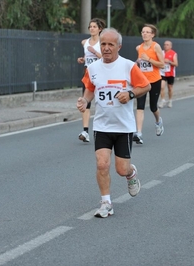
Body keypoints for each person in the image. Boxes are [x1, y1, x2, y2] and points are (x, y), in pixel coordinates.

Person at [76, 27, 151, 218]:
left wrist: (131, 93)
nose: (107, 48)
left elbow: (146, 86)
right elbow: (90, 88)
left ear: (119, 46)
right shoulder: (93, 68)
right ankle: (106, 203)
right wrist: (85, 100)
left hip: (124, 127)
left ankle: (131, 173)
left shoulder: (128, 66)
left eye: (111, 44)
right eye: (103, 44)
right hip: (101, 125)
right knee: (102, 165)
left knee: (121, 169)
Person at [133, 24, 164, 144]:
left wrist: (149, 59)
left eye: (147, 32)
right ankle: (139, 133)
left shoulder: (156, 47)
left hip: (155, 80)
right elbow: (140, 63)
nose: (144, 34)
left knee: (153, 107)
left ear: (152, 34)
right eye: (142, 32)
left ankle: (158, 121)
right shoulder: (138, 48)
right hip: (142, 81)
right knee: (140, 106)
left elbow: (162, 64)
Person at [76, 18, 106, 143]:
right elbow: (87, 56)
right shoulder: (85, 42)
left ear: (100, 29)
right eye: (90, 27)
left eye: (94, 26)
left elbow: (106, 58)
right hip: (88, 74)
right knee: (85, 101)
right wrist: (82, 59)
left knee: (101, 102)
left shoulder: (103, 42)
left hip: (101, 74)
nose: (91, 29)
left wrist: (95, 52)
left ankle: (104, 129)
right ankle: (85, 131)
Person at [159, 40, 178, 108]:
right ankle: (162, 100)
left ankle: (170, 100)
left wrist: (169, 61)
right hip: (162, 72)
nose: (165, 46)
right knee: (161, 87)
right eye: (164, 44)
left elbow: (176, 64)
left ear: (170, 46)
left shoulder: (173, 53)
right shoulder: (161, 53)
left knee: (170, 88)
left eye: (167, 45)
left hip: (170, 73)